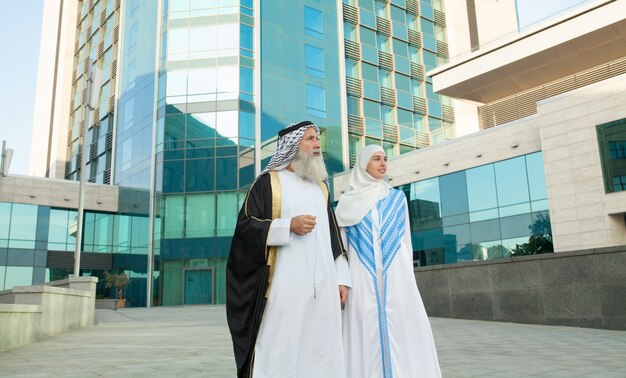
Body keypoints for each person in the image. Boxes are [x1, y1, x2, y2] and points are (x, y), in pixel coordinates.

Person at [226, 120, 351, 378]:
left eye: (317, 139)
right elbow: (245, 229)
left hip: (323, 288)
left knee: (322, 349)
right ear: (293, 145)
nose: (317, 144)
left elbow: (332, 236)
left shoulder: (321, 188)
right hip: (284, 288)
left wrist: (341, 278)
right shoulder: (268, 183)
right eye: (310, 139)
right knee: (283, 348)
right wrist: (287, 226)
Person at [335, 144, 441, 378]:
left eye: (385, 158)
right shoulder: (346, 203)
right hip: (362, 277)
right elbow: (341, 249)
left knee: (403, 331)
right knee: (364, 333)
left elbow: (406, 241)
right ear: (364, 165)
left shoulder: (397, 198)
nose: (383, 163)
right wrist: (342, 280)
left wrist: (408, 279)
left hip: (397, 277)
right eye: (376, 159)